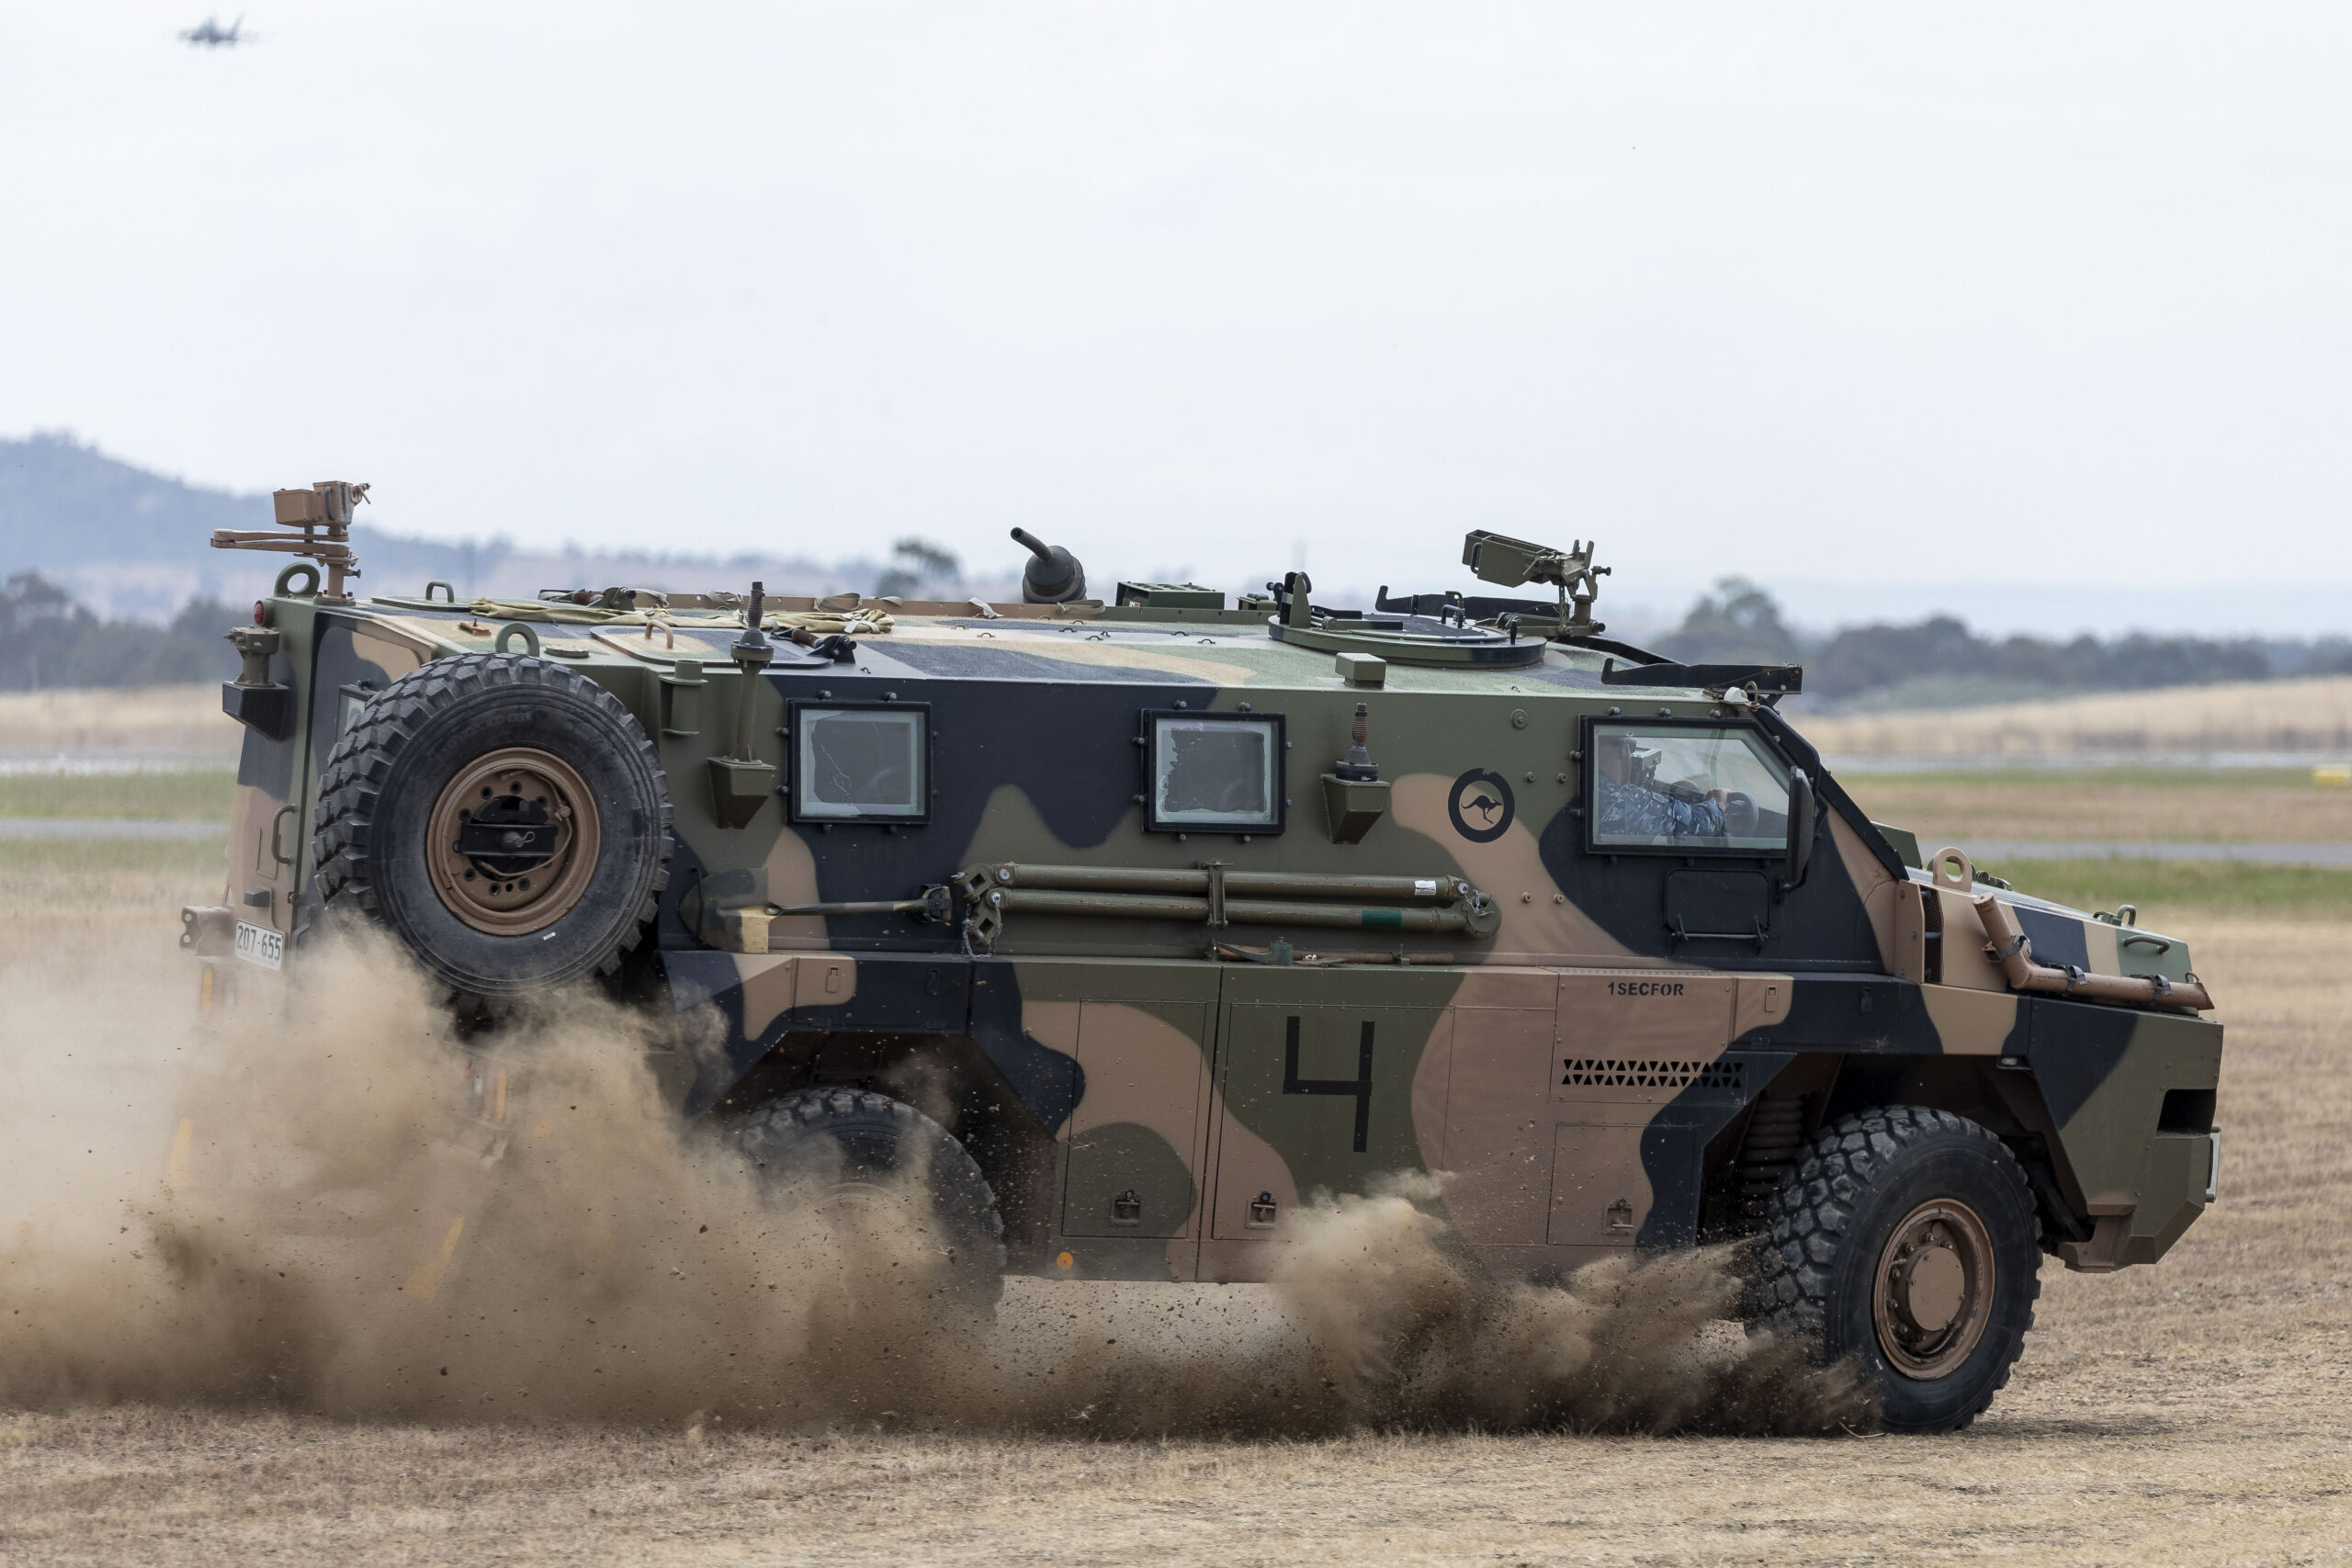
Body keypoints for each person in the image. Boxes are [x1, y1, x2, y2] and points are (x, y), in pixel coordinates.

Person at [1594, 732, 1726, 838]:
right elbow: (1700, 823)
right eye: (1630, 748)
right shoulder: (1625, 800)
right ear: (1623, 751)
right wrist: (1719, 804)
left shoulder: (1591, 787)